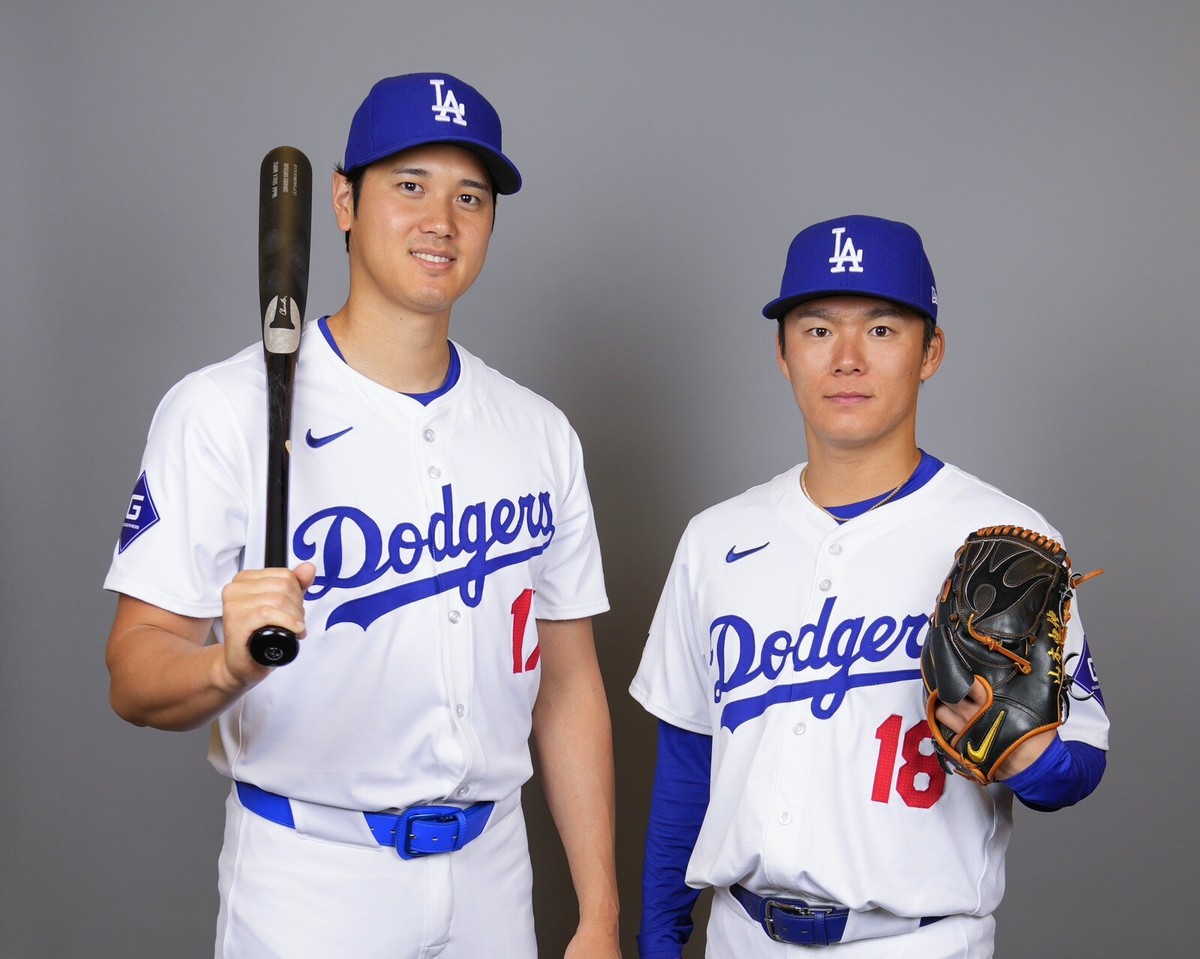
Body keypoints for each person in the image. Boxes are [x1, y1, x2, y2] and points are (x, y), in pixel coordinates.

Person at [106, 72, 620, 959]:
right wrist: (227, 665)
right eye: (409, 186)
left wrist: (600, 913)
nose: (441, 222)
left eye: (470, 196)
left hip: (492, 875)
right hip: (312, 878)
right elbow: (133, 671)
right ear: (343, 201)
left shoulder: (538, 431)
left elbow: (568, 685)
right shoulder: (222, 409)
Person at [629, 215, 1108, 957]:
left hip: (920, 942)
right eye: (818, 330)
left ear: (930, 352)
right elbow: (688, 765)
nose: (847, 359)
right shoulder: (715, 539)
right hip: (741, 935)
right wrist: (659, 939)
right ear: (783, 354)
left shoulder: (1007, 539)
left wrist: (1028, 758)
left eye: (881, 330)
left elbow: (1083, 761)